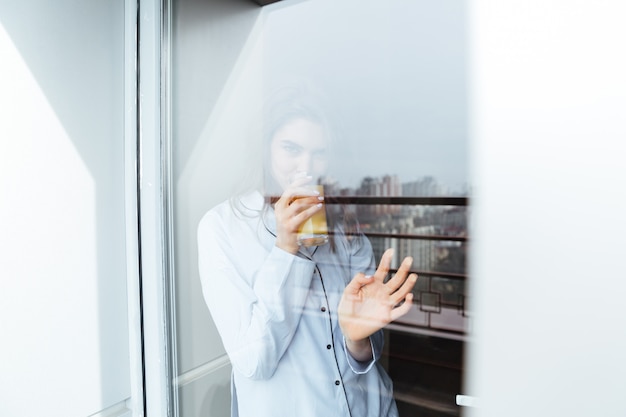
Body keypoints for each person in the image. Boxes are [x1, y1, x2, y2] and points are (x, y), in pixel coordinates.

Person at [197, 83, 417, 417]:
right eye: (291, 148)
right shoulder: (222, 228)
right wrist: (286, 248)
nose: (306, 166)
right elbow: (255, 361)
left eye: (320, 152)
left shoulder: (345, 226)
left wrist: (357, 339)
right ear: (266, 146)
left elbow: (365, 349)